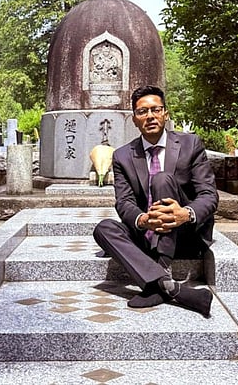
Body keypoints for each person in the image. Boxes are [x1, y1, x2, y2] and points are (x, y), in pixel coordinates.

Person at [93, 85, 219, 317]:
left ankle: (161, 267)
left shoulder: (190, 144)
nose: (150, 116)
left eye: (155, 110)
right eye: (143, 112)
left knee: (161, 179)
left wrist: (186, 213)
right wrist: (143, 220)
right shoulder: (121, 155)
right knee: (103, 229)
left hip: (185, 233)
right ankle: (168, 286)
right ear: (134, 119)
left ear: (165, 114)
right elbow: (124, 203)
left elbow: (209, 195)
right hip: (147, 233)